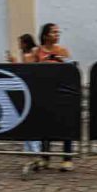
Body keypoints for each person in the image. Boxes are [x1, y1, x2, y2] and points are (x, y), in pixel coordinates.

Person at [35, 23, 74, 171]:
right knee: (45, 126)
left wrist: (60, 60)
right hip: (44, 94)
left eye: (58, 32)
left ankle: (67, 158)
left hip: (62, 93)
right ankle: (45, 157)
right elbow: (31, 70)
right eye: (54, 32)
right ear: (45, 35)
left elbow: (72, 68)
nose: (57, 35)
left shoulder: (62, 51)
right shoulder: (37, 51)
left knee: (65, 124)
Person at [7, 34, 42, 169]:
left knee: (32, 123)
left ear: (26, 43)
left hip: (32, 91)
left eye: (20, 42)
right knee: (27, 123)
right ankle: (31, 153)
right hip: (27, 91)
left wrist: (15, 61)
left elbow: (27, 68)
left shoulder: (32, 53)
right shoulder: (27, 54)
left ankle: (35, 153)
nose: (19, 45)